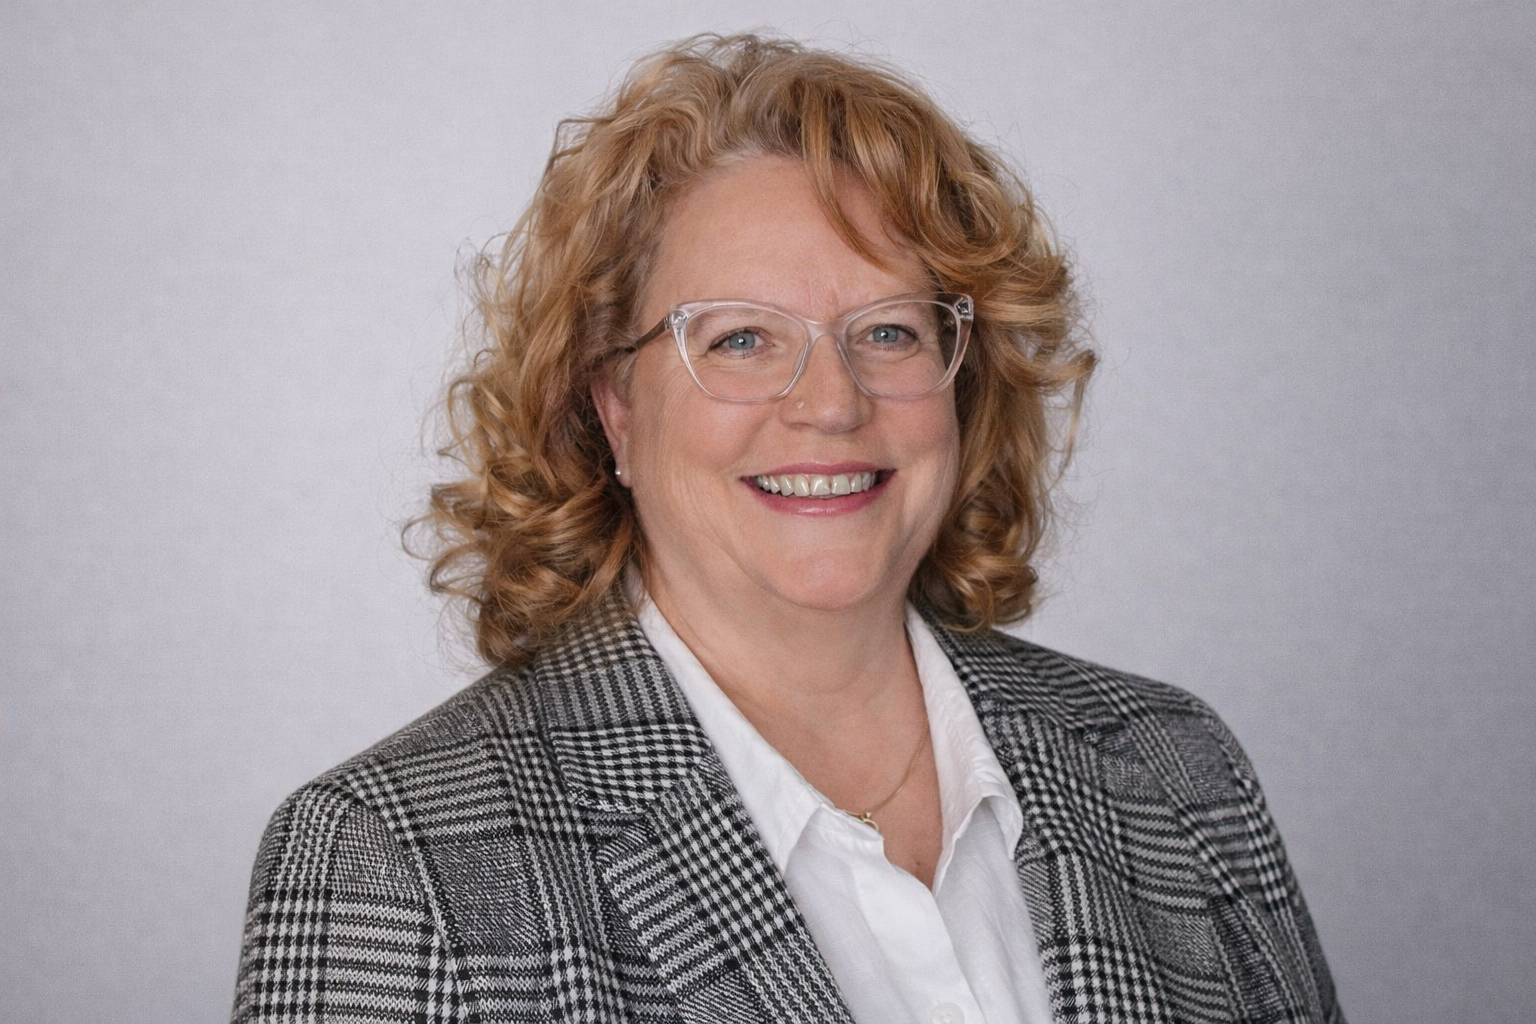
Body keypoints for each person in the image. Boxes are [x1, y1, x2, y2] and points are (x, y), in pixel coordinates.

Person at [231, 34, 1344, 1024]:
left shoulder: (1174, 768)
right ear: (611, 404)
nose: (831, 403)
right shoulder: (393, 861)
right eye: (742, 340)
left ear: (966, 380)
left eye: (891, 331)